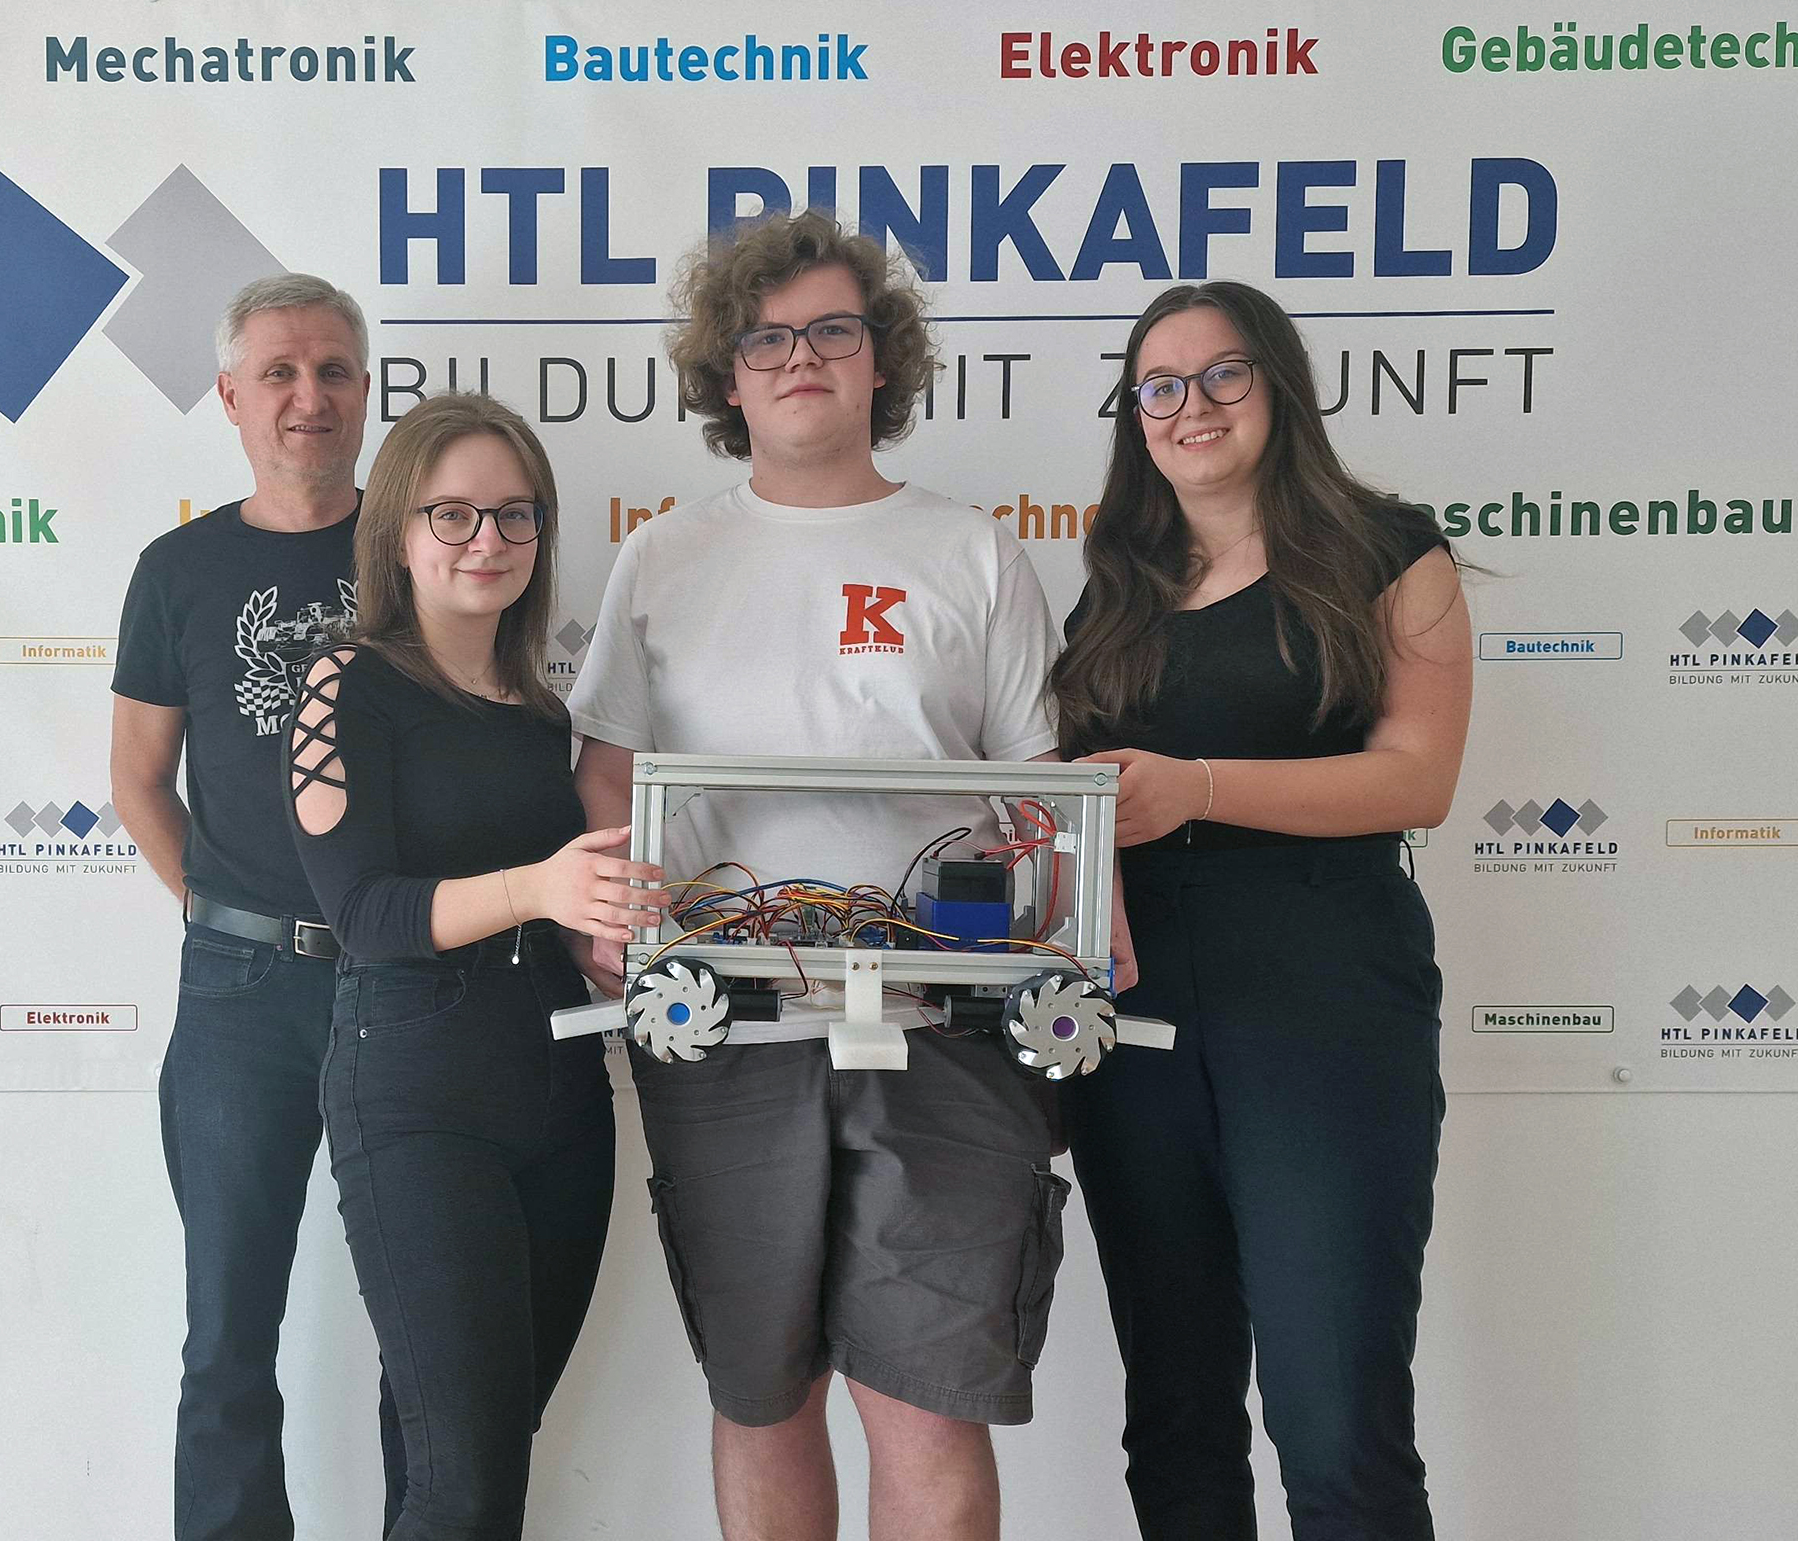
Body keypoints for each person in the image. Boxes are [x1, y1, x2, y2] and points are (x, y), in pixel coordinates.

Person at [569, 211, 1065, 1541]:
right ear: (726, 377)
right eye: (766, 339)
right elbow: (609, 776)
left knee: (929, 1406)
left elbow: (1040, 796)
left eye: (832, 330)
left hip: (945, 1031)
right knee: (762, 1397)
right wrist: (615, 930)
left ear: (879, 359)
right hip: (729, 1033)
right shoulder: (664, 557)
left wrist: (1064, 934)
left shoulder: (972, 551)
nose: (800, 358)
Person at [1050, 279, 1472, 1541]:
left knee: (1335, 1423)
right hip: (1133, 1027)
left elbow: (1418, 779)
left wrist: (1195, 787)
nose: (1189, 406)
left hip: (1322, 1008)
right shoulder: (1112, 591)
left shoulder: (1386, 552)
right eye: (1157, 386)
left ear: (1278, 385)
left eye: (1220, 373)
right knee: (1175, 1420)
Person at [285, 392, 662, 1541]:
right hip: (416, 1094)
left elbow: (567, 903)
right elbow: (363, 911)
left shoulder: (544, 712)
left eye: (513, 514)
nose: (486, 539)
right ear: (397, 531)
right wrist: (541, 887)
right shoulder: (343, 681)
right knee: (467, 1487)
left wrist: (603, 931)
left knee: (460, 1467)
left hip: (561, 1092)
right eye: (452, 513)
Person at [110, 272, 407, 1539]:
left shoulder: (423, 549)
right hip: (240, 996)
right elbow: (137, 778)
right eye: (278, 372)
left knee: (427, 1333)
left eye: (332, 370)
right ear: (230, 395)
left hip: (408, 982)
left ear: (366, 391)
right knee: (226, 1334)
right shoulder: (178, 569)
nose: (308, 395)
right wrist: (224, 909)